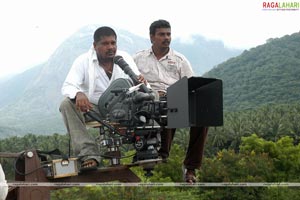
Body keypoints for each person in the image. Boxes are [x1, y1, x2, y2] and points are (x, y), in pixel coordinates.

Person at [59, 26, 145, 171]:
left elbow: (138, 82)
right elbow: (68, 86)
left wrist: (141, 82)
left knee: (150, 97)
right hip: (95, 108)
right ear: (95, 46)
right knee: (66, 104)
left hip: (123, 107)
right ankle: (89, 155)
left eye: (113, 43)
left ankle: (144, 149)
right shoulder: (83, 61)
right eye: (105, 44)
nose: (110, 47)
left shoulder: (124, 58)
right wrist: (78, 94)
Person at [133, 19, 208, 183]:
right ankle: (161, 153)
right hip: (148, 99)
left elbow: (191, 84)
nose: (166, 37)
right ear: (152, 37)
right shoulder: (138, 59)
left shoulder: (180, 60)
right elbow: (128, 83)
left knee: (203, 116)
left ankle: (191, 167)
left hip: (175, 98)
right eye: (161, 34)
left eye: (168, 34)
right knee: (164, 104)